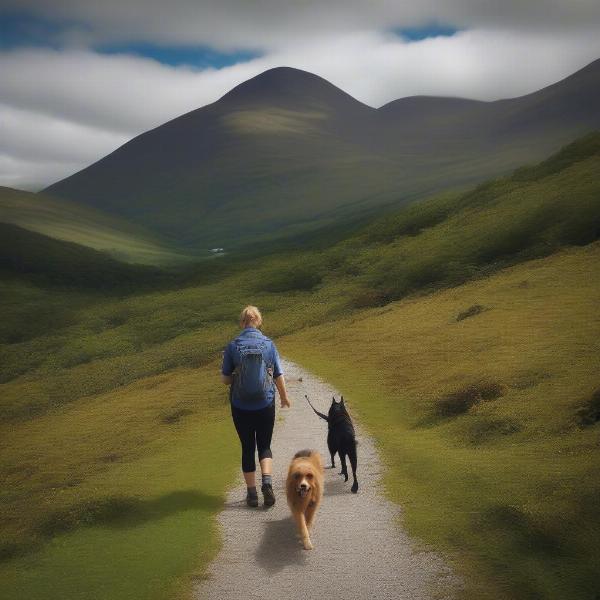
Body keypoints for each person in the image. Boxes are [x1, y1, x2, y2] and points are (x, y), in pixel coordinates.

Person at [221, 305, 291, 507]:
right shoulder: (269, 344)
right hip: (265, 403)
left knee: (247, 447)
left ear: (242, 322)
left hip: (240, 405)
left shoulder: (233, 346)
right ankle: (266, 483)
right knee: (265, 445)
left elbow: (225, 379)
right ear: (258, 321)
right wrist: (284, 397)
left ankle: (252, 495)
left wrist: (233, 375)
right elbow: (278, 374)